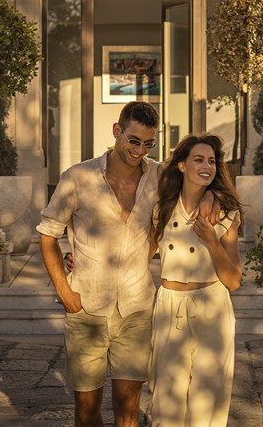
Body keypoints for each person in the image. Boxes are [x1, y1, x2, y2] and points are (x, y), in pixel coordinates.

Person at [36, 101, 163, 427]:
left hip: (137, 307)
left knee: (128, 409)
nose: (140, 150)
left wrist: (139, 259)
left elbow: (157, 230)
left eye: (149, 143)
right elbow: (48, 235)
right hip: (87, 308)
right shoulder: (78, 177)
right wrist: (66, 293)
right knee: (87, 411)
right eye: (134, 140)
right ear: (117, 131)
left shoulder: (158, 176)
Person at [149, 133, 243, 427]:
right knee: (166, 400)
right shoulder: (161, 208)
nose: (207, 166)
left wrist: (212, 241)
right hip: (169, 306)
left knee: (207, 401)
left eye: (212, 161)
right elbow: (138, 252)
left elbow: (233, 281)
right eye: (198, 159)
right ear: (181, 165)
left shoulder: (224, 212)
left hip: (211, 307)